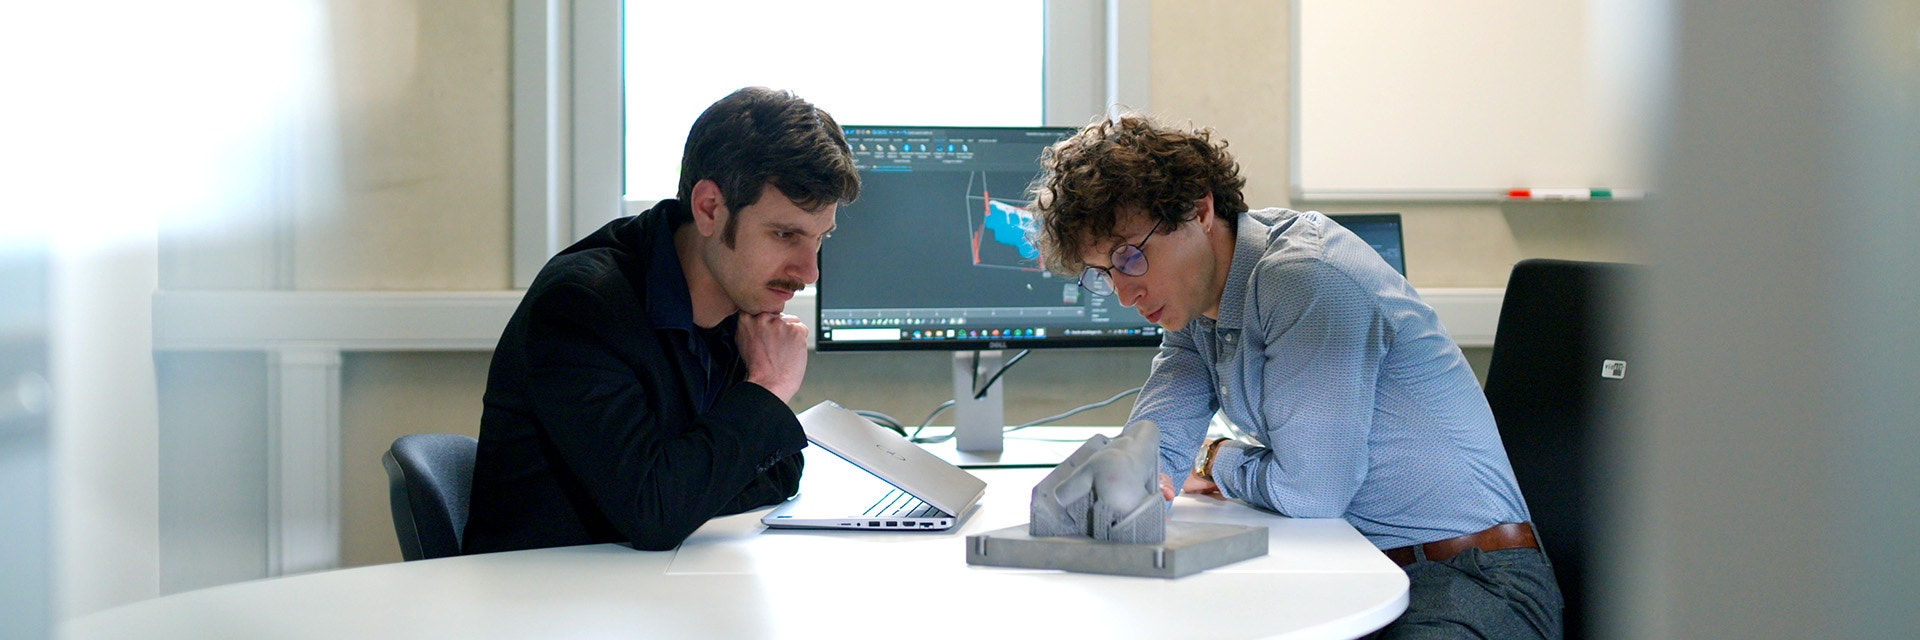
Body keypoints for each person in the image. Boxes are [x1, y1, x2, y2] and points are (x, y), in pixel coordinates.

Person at [1028, 114, 1563, 638]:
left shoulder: (1305, 280)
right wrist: (1129, 479)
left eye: (1129, 256)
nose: (1123, 293)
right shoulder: (1196, 303)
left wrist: (1215, 457)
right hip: (1371, 571)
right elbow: (1156, 445)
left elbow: (1310, 493)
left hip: (1473, 586)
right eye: (1103, 273)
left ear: (1198, 208)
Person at [463, 87, 859, 554]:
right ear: (710, 208)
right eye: (784, 234)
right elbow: (655, 514)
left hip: (637, 589)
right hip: (540, 604)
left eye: (818, 239)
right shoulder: (582, 306)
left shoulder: (739, 302)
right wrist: (767, 388)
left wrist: (692, 483)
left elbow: (779, 472)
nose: (808, 272)